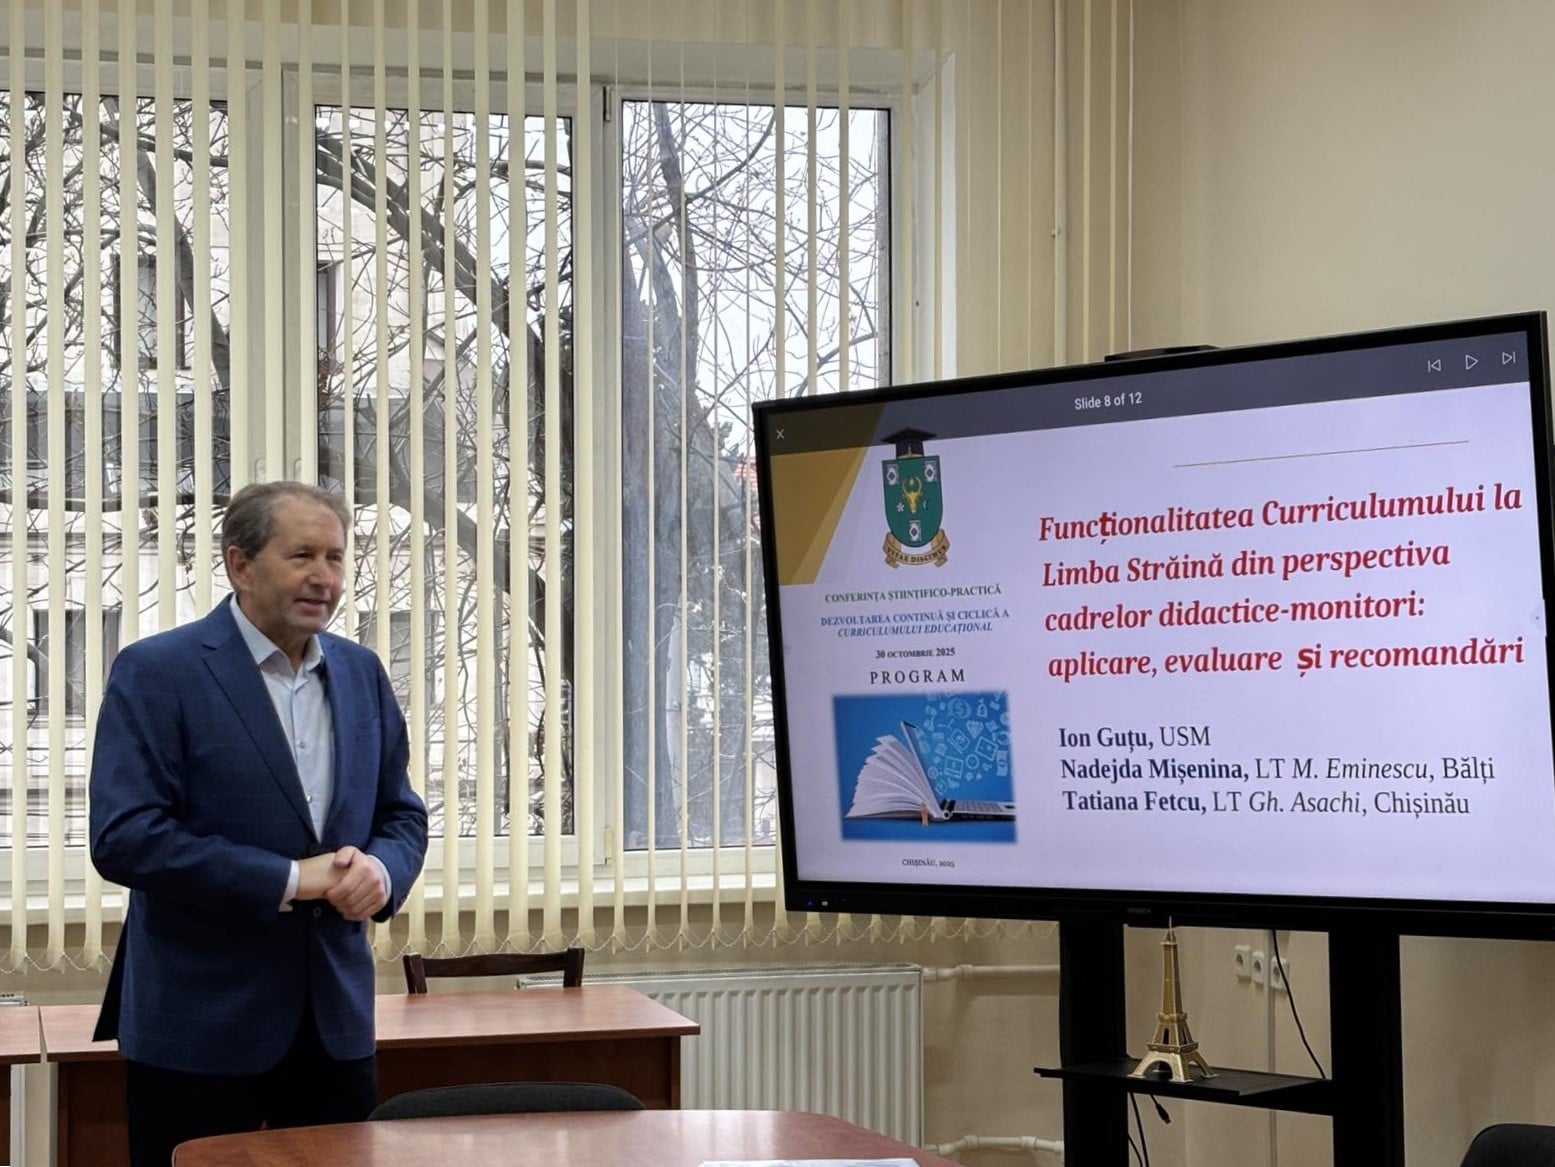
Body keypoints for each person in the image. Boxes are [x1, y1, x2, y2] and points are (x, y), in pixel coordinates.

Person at [89, 481, 428, 1167]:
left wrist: (382, 870)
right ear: (240, 564)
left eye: (336, 557)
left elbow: (400, 813)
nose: (324, 577)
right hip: (199, 1025)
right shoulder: (158, 671)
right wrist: (287, 879)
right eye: (302, 555)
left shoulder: (361, 672)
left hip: (334, 1024)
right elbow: (125, 836)